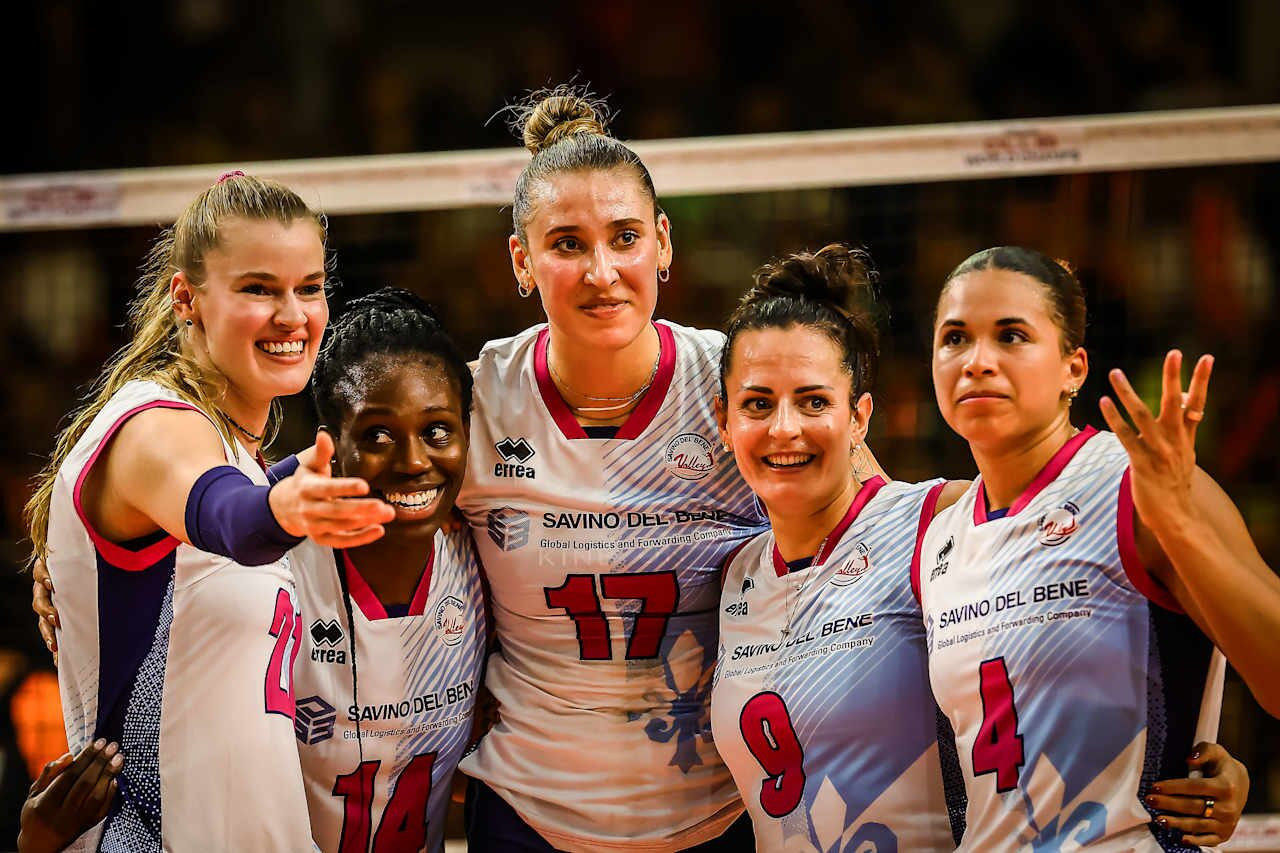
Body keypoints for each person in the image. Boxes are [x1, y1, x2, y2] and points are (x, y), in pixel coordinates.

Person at [710, 245, 1249, 851]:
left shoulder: (929, 522)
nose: (785, 427)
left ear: (859, 417)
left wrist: (1202, 752)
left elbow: (1078, 592)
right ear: (724, 420)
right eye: (758, 404)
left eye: (814, 401)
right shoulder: (731, 571)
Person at [23, 173, 393, 850]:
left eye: (309, 287)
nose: (293, 315)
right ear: (186, 298)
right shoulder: (154, 426)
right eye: (259, 289)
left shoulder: (236, 451)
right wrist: (280, 508)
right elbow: (228, 517)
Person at [456, 87, 768, 852]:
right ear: (522, 261)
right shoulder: (472, 402)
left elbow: (874, 521)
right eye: (567, 244)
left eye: (624, 237)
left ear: (663, 242)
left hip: (717, 816)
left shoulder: (739, 383)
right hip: (529, 816)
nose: (602, 272)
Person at [918, 246, 1280, 850]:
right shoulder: (935, 537)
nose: (977, 361)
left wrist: (1181, 527)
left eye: (1011, 336)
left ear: (1074, 368)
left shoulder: (1140, 487)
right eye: (955, 338)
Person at [292, 287, 486, 852]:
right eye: (377, 435)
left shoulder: (483, 556)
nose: (413, 461)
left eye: (437, 431)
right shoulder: (277, 576)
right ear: (330, 447)